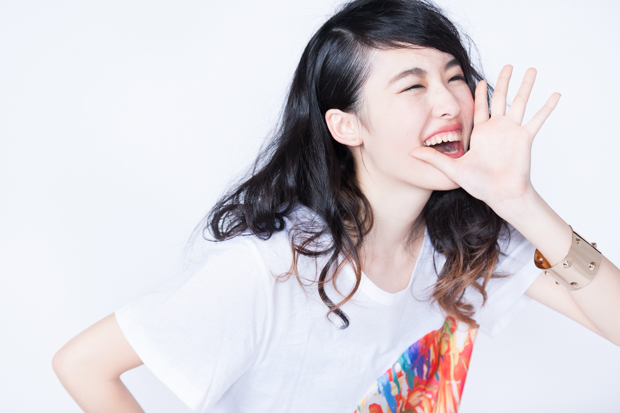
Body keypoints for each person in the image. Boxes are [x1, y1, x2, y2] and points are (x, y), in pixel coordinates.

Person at [51, 0, 620, 412]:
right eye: (413, 86)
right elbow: (83, 365)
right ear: (347, 126)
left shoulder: (460, 244)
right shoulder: (272, 268)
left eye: (455, 77)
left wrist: (520, 202)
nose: (450, 102)